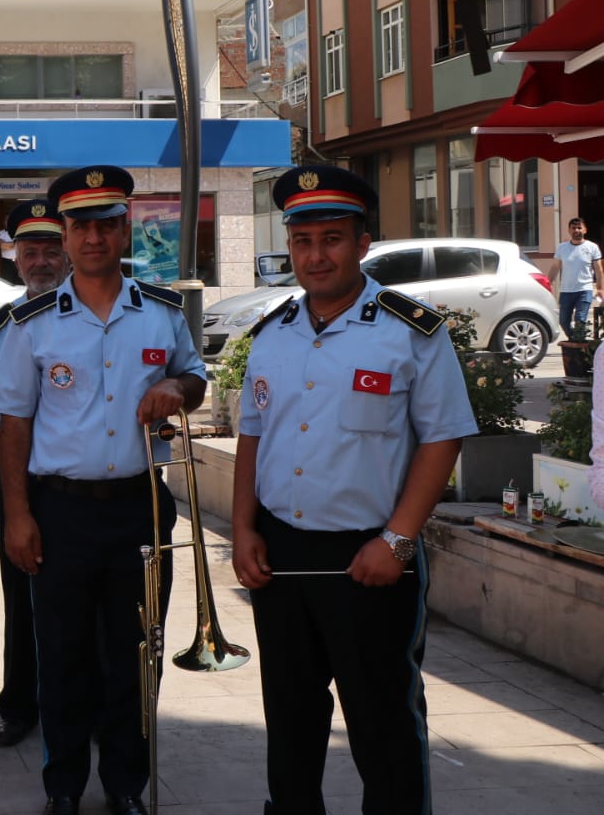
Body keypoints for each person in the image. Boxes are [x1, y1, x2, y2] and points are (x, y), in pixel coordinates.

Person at [231, 165, 476, 815]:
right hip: (281, 556)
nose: (315, 256)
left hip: (371, 557)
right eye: (302, 241)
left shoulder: (410, 331)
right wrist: (244, 529)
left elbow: (443, 437)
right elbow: (252, 435)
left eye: (332, 239)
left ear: (362, 243)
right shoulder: (272, 334)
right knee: (289, 716)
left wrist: (397, 541)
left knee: (382, 721)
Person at [0, 166, 206, 815]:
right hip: (59, 511)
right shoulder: (31, 323)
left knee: (136, 652)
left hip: (139, 506)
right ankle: (63, 786)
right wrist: (17, 515)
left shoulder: (161, 313)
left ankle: (124, 784)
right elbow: (14, 428)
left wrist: (177, 388)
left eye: (105, 225)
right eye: (80, 226)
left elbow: (194, 378)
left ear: (123, 230)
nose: (92, 238)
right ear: (64, 234)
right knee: (62, 656)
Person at [0, 198, 68, 748]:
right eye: (30, 252)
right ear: (15, 258)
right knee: (21, 591)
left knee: (91, 602)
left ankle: (91, 708)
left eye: (51, 249)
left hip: (82, 480)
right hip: (21, 476)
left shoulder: (97, 311)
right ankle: (20, 705)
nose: (41, 261)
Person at [548, 217, 602, 341]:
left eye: (579, 228)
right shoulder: (562, 248)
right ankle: (575, 341)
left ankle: (579, 344)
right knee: (563, 321)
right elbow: (555, 267)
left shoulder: (592, 247)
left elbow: (599, 270)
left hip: (584, 290)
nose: (576, 230)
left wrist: (600, 289)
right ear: (569, 230)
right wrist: (548, 283)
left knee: (580, 320)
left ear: (585, 230)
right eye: (573, 228)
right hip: (566, 291)